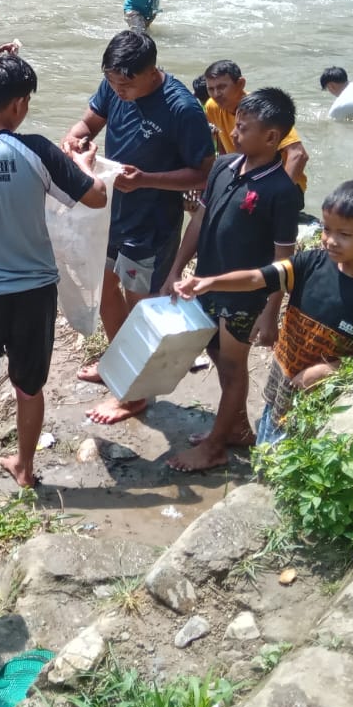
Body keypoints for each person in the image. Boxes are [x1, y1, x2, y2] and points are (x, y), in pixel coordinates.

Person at [0, 55, 107, 493]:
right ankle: (25, 470)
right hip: (33, 292)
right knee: (29, 387)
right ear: (19, 104)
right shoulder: (37, 150)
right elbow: (96, 197)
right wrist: (84, 166)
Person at [175, 179, 353, 446]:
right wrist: (210, 282)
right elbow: (256, 278)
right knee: (269, 432)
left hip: (324, 401)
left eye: (344, 234)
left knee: (296, 449)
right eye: (326, 229)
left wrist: (329, 370)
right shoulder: (311, 263)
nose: (330, 241)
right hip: (284, 379)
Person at [62, 32, 215, 423]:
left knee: (140, 306)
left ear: (151, 72)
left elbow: (205, 174)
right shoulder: (114, 85)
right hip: (111, 213)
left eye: (126, 84)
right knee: (105, 289)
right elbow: (89, 122)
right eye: (112, 82)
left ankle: (136, 395)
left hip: (150, 224)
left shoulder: (182, 108)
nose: (119, 91)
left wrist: (147, 180)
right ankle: (117, 363)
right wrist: (76, 137)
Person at [162, 90, 302, 472]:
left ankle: (215, 447)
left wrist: (270, 314)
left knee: (232, 367)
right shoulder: (224, 165)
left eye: (243, 128)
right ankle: (236, 428)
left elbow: (283, 260)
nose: (234, 133)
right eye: (236, 125)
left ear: (271, 137)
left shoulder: (282, 191)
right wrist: (176, 268)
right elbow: (200, 219)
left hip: (246, 295)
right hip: (208, 282)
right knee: (216, 354)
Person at [201, 61, 310, 197]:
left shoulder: (261, 111)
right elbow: (222, 145)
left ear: (240, 84)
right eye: (211, 89)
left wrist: (277, 195)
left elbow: (298, 154)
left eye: (222, 87)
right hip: (247, 179)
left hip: (284, 184)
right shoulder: (212, 107)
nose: (216, 94)